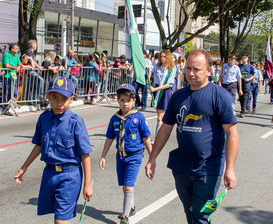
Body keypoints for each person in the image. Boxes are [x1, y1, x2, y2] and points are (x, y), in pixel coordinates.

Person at [145, 49, 238, 224]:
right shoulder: (178, 96)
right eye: (188, 68)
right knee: (190, 213)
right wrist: (152, 158)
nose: (191, 73)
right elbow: (165, 128)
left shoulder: (220, 96)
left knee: (201, 216)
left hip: (208, 167)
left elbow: (232, 133)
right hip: (181, 167)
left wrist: (230, 168)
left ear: (209, 71)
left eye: (196, 69)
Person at [14, 77, 93, 224]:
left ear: (71, 99)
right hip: (49, 174)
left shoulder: (76, 122)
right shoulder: (44, 119)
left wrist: (87, 184)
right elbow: (38, 145)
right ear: (49, 97)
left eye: (64, 99)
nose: (59, 103)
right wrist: (24, 167)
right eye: (55, 98)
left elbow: (85, 155)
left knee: (60, 220)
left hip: (69, 176)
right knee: (57, 216)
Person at [99, 84, 152, 224]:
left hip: (134, 156)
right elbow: (110, 138)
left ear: (134, 101)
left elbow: (146, 138)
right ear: (118, 100)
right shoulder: (115, 118)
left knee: (128, 186)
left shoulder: (138, 117)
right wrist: (103, 156)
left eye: (128, 100)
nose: (125, 104)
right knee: (124, 186)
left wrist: (152, 158)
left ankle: (125, 217)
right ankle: (131, 207)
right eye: (122, 100)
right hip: (121, 156)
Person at [149, 49, 175, 137]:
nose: (162, 58)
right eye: (161, 56)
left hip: (164, 92)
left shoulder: (171, 69)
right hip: (156, 90)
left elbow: (169, 84)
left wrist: (155, 89)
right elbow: (150, 71)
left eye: (164, 56)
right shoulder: (157, 66)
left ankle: (157, 138)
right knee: (159, 117)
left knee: (160, 117)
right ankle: (161, 134)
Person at [1, 43, 21, 115]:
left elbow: (20, 63)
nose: (17, 49)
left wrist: (19, 66)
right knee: (7, 93)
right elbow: (7, 65)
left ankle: (0, 100)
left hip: (13, 77)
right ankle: (5, 108)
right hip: (7, 76)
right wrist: (16, 67)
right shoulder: (6, 54)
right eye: (16, 48)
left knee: (15, 92)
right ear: (12, 49)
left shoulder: (16, 55)